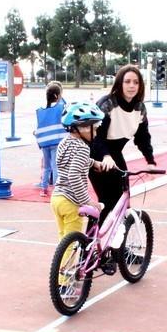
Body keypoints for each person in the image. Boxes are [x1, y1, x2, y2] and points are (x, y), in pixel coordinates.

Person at [89, 64, 156, 220]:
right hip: (97, 154)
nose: (132, 86)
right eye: (127, 81)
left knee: (123, 200)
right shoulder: (107, 104)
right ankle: (92, 235)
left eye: (136, 82)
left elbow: (143, 137)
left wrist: (150, 161)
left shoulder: (140, 108)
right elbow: (96, 137)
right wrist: (105, 156)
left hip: (116, 154)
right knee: (107, 202)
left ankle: (117, 234)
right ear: (120, 83)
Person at [51, 101, 110, 239]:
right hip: (71, 202)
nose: (96, 133)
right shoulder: (83, 148)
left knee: (63, 238)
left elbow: (69, 162)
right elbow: (73, 175)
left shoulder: (64, 142)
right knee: (71, 242)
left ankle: (61, 254)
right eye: (95, 129)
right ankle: (67, 255)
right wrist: (87, 201)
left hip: (57, 198)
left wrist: (93, 163)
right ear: (84, 128)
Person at [34, 81, 66, 196]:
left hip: (44, 142)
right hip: (56, 141)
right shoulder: (61, 107)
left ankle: (44, 189)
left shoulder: (39, 110)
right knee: (55, 166)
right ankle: (57, 190)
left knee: (46, 167)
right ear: (57, 95)